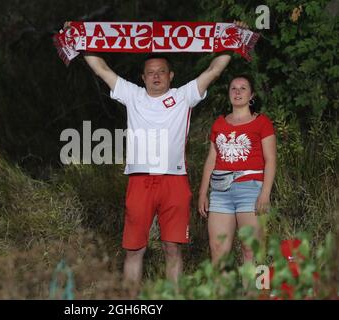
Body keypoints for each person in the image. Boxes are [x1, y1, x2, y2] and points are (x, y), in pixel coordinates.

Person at [63, 21, 249, 293]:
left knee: (172, 248)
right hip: (140, 181)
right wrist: (78, 37)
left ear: (171, 75)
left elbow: (214, 69)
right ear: (143, 77)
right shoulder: (133, 95)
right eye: (150, 73)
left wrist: (233, 38)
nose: (156, 76)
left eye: (161, 72)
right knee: (134, 249)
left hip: (174, 181)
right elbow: (102, 68)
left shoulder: (183, 96)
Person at [198, 74, 277, 266]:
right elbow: (211, 159)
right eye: (233, 88)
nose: (237, 92)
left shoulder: (262, 122)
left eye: (243, 88)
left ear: (252, 95)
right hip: (220, 192)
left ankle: (257, 294)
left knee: (252, 250)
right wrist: (202, 193)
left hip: (250, 189)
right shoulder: (219, 123)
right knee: (218, 250)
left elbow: (271, 159)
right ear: (228, 94)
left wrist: (265, 193)